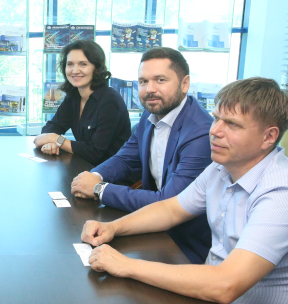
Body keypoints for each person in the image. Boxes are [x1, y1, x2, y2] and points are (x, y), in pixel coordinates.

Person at [81, 77, 288, 304]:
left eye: (232, 124)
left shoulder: (285, 194)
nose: (215, 130)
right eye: (216, 118)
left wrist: (126, 265)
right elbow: (171, 209)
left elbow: (225, 285)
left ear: (269, 136)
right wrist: (114, 227)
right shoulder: (222, 167)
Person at [71, 47, 213, 263]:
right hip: (151, 229)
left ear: (185, 84)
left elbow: (169, 202)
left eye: (160, 80)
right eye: (143, 82)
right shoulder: (152, 112)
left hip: (185, 246)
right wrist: (95, 177)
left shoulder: (200, 133)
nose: (150, 89)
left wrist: (100, 190)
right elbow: (126, 158)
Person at [34, 40, 131, 165]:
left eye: (83, 64)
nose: (75, 71)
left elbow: (95, 152)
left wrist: (57, 140)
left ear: (96, 68)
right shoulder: (74, 96)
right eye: (70, 64)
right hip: (85, 166)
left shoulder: (110, 101)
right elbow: (53, 126)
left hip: (111, 174)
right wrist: (50, 142)